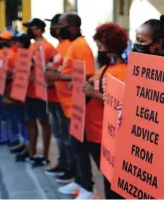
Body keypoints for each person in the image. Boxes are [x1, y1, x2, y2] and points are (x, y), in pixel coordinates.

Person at [118, 15, 164, 198]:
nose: (137, 46)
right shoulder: (137, 68)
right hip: (141, 146)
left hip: (162, 152)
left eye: (141, 41)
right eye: (136, 41)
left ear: (157, 44)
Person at [44, 12, 95, 191]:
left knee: (79, 147)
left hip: (77, 105)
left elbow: (87, 74)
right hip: (68, 105)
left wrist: (57, 76)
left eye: (62, 25)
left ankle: (87, 186)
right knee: (75, 146)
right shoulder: (73, 44)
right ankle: (79, 181)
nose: (58, 28)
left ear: (73, 27)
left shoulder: (81, 45)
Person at [77, 22, 128, 199]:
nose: (97, 50)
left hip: (105, 136)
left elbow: (122, 105)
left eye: (100, 46)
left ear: (110, 47)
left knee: (113, 183)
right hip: (94, 132)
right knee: (107, 179)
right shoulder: (107, 68)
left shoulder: (122, 72)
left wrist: (93, 93)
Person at [44, 14, 76, 183]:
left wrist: (54, 73)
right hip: (56, 97)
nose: (54, 29)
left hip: (66, 100)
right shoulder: (60, 45)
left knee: (66, 136)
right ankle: (63, 163)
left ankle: (70, 168)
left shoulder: (70, 45)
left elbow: (70, 72)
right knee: (59, 135)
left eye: (55, 25)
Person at [22, 18, 56, 166]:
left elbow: (52, 66)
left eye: (33, 27)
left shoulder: (48, 47)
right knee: (30, 122)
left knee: (44, 122)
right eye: (29, 27)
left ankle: (44, 155)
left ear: (40, 29)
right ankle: (32, 152)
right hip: (29, 92)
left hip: (41, 92)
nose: (30, 30)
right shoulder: (29, 47)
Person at [3, 34, 31, 160]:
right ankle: (24, 144)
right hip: (16, 92)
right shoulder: (16, 54)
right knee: (21, 121)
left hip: (21, 94)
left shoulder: (17, 55)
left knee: (24, 121)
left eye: (17, 42)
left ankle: (27, 146)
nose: (15, 44)